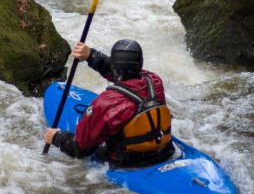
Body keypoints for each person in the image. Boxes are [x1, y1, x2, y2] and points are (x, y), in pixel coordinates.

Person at [44, 39, 174, 167]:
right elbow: (125, 73)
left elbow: (80, 150)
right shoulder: (155, 81)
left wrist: (57, 137)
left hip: (128, 161)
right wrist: (91, 55)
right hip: (164, 151)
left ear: (114, 66)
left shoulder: (107, 103)